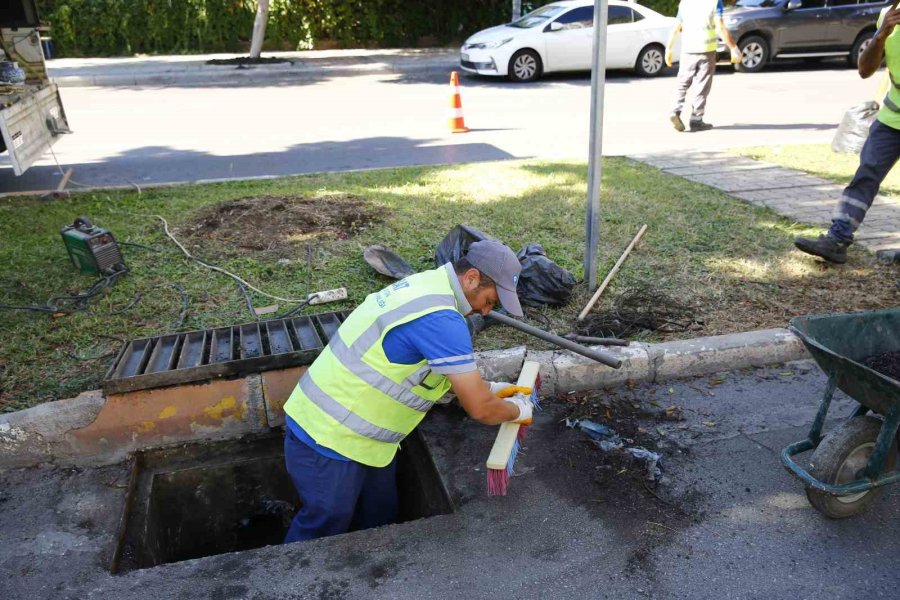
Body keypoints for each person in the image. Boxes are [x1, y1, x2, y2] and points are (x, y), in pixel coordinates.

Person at [281, 240, 534, 543]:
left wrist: (491, 387)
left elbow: (424, 370)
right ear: (471, 278)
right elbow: (479, 409)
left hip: (369, 440)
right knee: (324, 525)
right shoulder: (442, 319)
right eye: (490, 300)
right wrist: (519, 410)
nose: (486, 311)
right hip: (327, 436)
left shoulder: (427, 285)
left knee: (381, 518)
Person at [795, 3, 900, 264]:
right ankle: (837, 239)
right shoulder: (887, 16)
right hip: (891, 118)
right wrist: (881, 35)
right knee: (865, 175)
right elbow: (865, 70)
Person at [665, 0, 740, 132]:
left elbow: (677, 27)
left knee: (682, 82)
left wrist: (668, 49)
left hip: (688, 49)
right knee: (702, 85)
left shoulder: (686, 3)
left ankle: (675, 111)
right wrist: (733, 48)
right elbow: (720, 27)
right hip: (707, 50)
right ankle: (696, 120)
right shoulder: (714, 2)